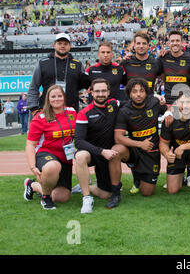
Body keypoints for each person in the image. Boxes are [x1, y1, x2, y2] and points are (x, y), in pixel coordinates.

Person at [110, 78, 171, 198]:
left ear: (146, 92)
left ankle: (138, 176)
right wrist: (140, 144)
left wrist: (168, 113)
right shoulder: (124, 111)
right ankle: (115, 191)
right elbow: (118, 138)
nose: (138, 94)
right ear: (129, 94)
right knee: (116, 150)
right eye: (134, 91)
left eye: (141, 91)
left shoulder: (154, 102)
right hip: (135, 149)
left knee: (147, 193)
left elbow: (168, 108)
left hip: (151, 152)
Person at [23, 85, 77, 210]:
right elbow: (30, 145)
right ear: (48, 99)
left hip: (65, 155)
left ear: (64, 97)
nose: (56, 99)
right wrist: (33, 166)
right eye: (53, 96)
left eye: (59, 96)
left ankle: (32, 185)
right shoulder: (40, 118)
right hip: (46, 153)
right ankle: (46, 198)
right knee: (53, 166)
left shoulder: (72, 112)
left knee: (62, 197)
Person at [158, 30, 190, 188]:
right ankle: (177, 171)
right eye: (172, 41)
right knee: (172, 137)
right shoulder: (163, 58)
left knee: (189, 135)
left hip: (187, 104)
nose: (175, 43)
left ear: (183, 42)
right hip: (170, 104)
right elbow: (161, 76)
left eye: (177, 40)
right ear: (168, 42)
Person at [73, 79, 121, 213]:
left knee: (106, 194)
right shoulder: (84, 113)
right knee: (80, 156)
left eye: (104, 91)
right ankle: (86, 197)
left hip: (108, 155)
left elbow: (133, 104)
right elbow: (78, 141)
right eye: (97, 91)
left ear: (108, 92)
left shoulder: (114, 104)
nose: (101, 94)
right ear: (91, 92)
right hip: (92, 153)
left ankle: (87, 186)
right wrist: (101, 151)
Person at [27, 33, 90, 115]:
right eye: (59, 43)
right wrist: (34, 109)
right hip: (47, 111)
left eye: (65, 44)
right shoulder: (42, 63)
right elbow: (33, 87)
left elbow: (87, 85)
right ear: (54, 45)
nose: (62, 46)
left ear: (70, 46)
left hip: (71, 111)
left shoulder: (78, 64)